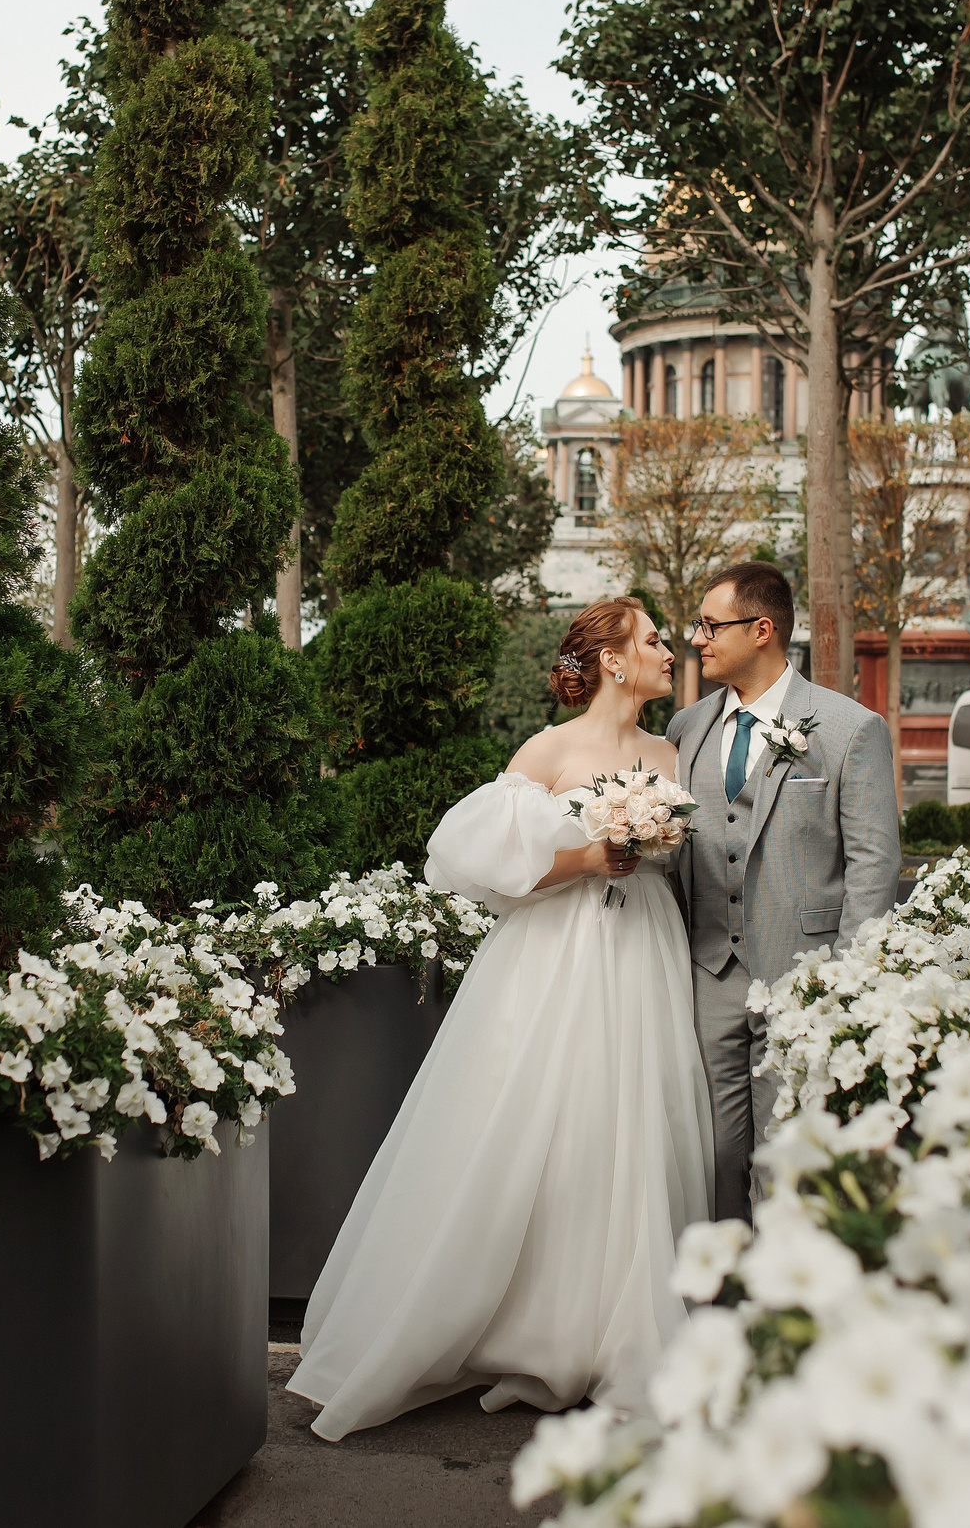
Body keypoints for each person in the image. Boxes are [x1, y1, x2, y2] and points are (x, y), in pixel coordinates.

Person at [288, 599, 713, 1441]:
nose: (668, 650)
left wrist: (642, 851)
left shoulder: (671, 751)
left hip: (646, 952)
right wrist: (590, 856)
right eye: (654, 640)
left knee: (633, 1132)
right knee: (546, 1131)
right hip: (558, 957)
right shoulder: (548, 751)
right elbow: (472, 862)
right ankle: (523, 1326)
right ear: (613, 661)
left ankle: (615, 1330)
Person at [665, 561, 900, 1223]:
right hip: (708, 973)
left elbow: (875, 864)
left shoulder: (849, 727)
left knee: (789, 1151)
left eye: (711, 625)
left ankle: (784, 1298)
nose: (698, 639)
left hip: (805, 973)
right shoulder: (687, 728)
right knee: (711, 1151)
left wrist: (846, 978)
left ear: (761, 628)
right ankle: (719, 1289)